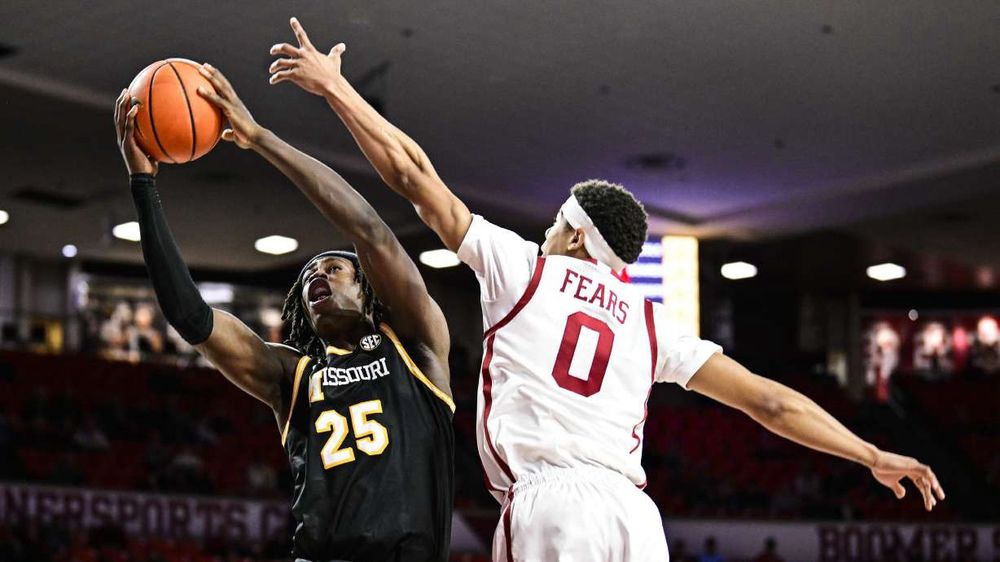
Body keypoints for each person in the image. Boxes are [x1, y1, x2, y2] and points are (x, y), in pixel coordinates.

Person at [267, 17, 946, 560]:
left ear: (572, 233)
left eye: (558, 221)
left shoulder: (523, 268)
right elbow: (768, 402)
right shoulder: (653, 323)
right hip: (633, 518)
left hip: (551, 508)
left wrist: (335, 89)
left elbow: (414, 176)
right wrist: (869, 453)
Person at [113, 63, 455, 561]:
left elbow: (372, 231)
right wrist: (143, 186)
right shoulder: (292, 376)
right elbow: (191, 317)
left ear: (367, 289)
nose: (318, 276)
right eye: (308, 278)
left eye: (335, 268)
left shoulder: (415, 345)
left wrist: (259, 138)